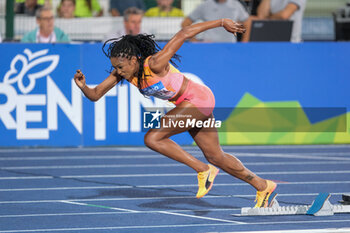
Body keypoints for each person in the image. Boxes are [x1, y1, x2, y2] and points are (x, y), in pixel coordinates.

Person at [74, 18, 277, 208]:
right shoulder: (123, 73)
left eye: (120, 66)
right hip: (189, 105)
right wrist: (83, 86)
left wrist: (222, 22)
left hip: (199, 100)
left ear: (134, 59)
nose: (118, 70)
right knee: (216, 156)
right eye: (114, 67)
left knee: (153, 138)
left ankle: (203, 170)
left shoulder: (154, 63)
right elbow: (96, 94)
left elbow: (184, 33)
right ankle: (263, 186)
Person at [181, 0, 251, 42]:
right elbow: (185, 23)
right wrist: (194, 40)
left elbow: (247, 22)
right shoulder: (206, 5)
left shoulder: (235, 4)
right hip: (209, 46)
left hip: (230, 46)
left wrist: (244, 42)